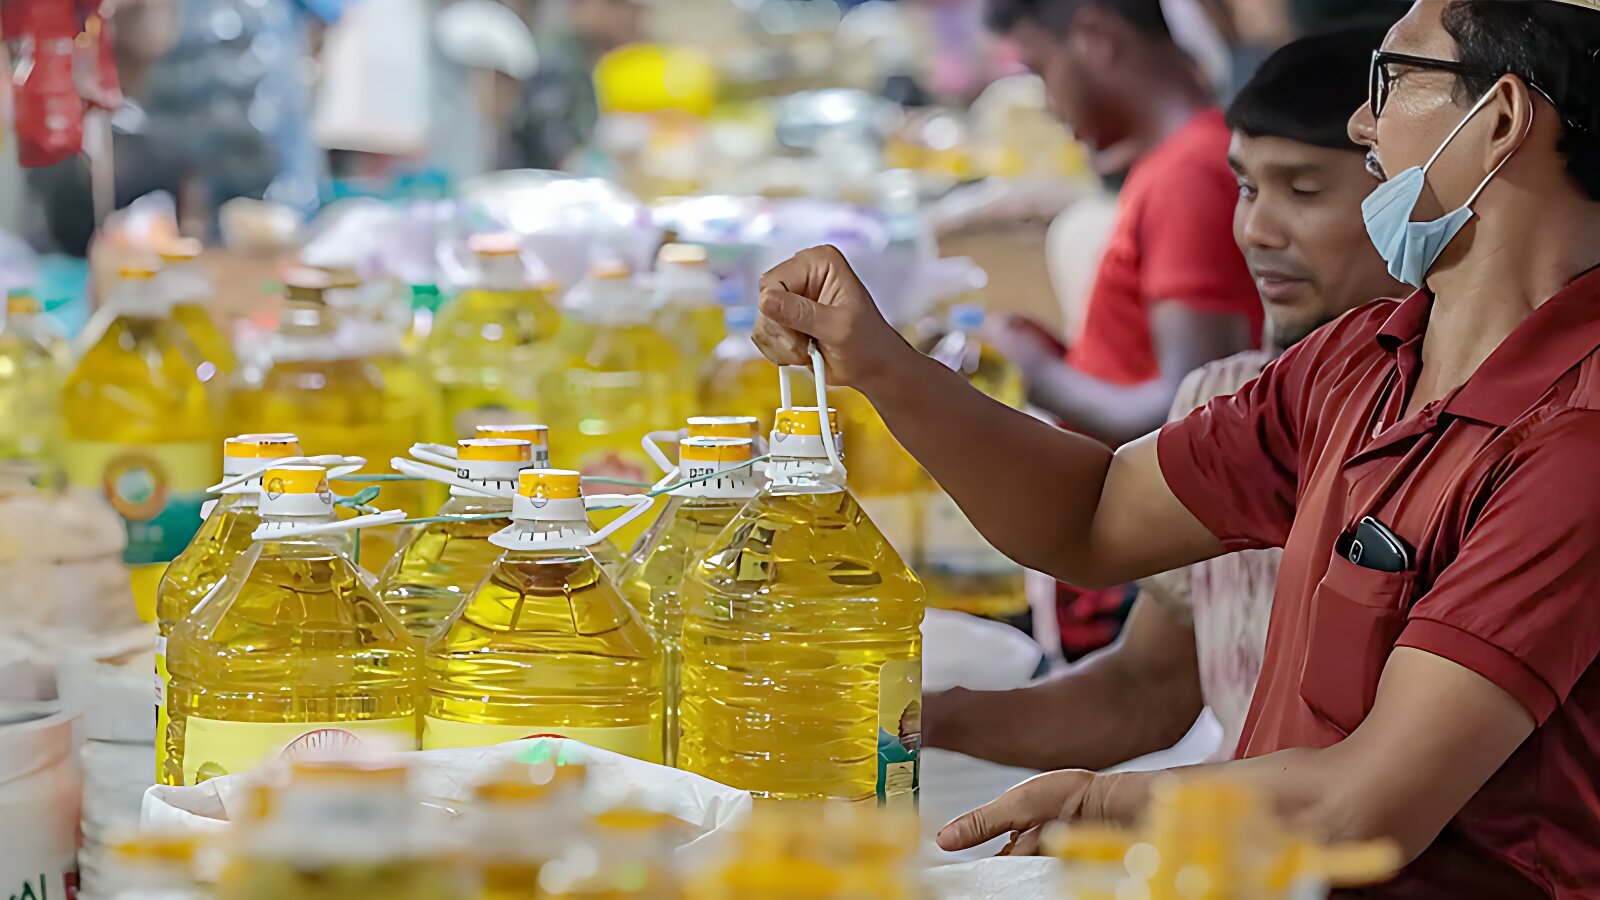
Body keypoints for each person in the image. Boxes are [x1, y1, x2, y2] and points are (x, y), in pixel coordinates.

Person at [753, 1, 1600, 894]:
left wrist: (1106, 804)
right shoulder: (1362, 362)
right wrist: (882, 367)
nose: (1362, 122)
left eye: (1391, 82)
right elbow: (1094, 516)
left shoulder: (1571, 441)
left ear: (1499, 119)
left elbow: (1364, 806)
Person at [924, 23, 1403, 771]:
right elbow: (1143, 691)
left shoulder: (1461, 433)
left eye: (1303, 190)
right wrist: (911, 718)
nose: (1255, 230)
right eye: (1246, 187)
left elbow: (1372, 790)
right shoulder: (1226, 399)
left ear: (1415, 199)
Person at [982, 0, 1262, 447]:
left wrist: (1033, 370)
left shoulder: (1186, 176)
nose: (1050, 104)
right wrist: (1057, 356)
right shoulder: (1171, 162)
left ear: (1096, 37)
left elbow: (1190, 413)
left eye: (1042, 71)